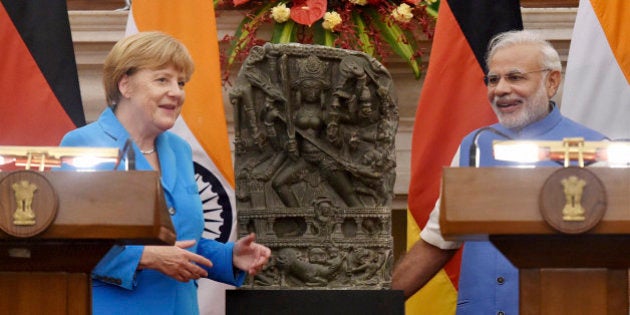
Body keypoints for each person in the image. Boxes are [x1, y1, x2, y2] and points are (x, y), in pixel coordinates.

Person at [391, 30, 607, 314]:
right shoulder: (474, 146)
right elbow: (437, 241)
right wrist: (375, 305)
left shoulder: (597, 151)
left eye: (515, 77)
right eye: (493, 79)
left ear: (552, 81)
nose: (500, 89)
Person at [58, 31, 271, 315]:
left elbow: (181, 239)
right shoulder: (84, 144)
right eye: (162, 80)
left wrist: (229, 257)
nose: (177, 92)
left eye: (181, 82)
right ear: (125, 85)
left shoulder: (179, 151)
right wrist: (146, 257)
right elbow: (67, 247)